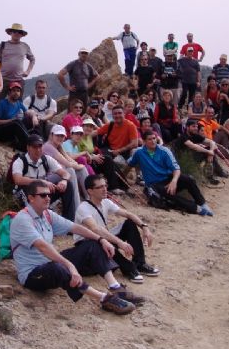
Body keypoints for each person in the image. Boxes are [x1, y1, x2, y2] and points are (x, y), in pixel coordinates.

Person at [9, 180, 138, 315]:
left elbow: (74, 227)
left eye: (49, 194)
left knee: (91, 244)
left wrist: (101, 239)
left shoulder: (47, 214)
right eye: (43, 195)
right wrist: (70, 265)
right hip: (33, 274)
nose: (47, 198)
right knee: (57, 267)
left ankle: (115, 287)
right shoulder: (23, 220)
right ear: (31, 198)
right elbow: (43, 247)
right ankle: (104, 298)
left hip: (49, 262)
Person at [76, 174, 160, 283]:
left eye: (105, 185)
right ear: (90, 191)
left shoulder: (105, 202)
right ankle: (128, 269)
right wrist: (120, 242)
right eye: (100, 187)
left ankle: (140, 263)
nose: (104, 189)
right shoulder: (83, 208)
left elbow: (128, 214)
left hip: (102, 238)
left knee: (129, 224)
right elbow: (95, 229)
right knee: (103, 241)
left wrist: (144, 227)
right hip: (88, 245)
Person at [128, 131, 215, 216]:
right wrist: (124, 178)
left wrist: (174, 181)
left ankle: (203, 204)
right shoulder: (139, 153)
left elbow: (176, 168)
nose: (153, 141)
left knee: (189, 180)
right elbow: (129, 164)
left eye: (154, 138)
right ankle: (196, 208)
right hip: (154, 184)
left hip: (168, 178)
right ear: (144, 141)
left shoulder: (164, 151)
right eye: (150, 139)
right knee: (167, 193)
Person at [11, 135, 77, 221]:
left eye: (40, 146)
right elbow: (18, 180)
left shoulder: (46, 159)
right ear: (28, 148)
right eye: (34, 147)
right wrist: (41, 182)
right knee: (35, 190)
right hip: (25, 194)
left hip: (42, 192)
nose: (38, 150)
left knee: (68, 185)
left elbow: (66, 173)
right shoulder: (20, 161)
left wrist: (64, 181)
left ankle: (69, 220)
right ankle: (40, 216)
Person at [44, 125, 90, 200]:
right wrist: (79, 165)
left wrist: (79, 166)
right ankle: (76, 204)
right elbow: (67, 163)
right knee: (70, 170)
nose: (60, 138)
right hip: (48, 177)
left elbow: (69, 159)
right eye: (57, 135)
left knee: (81, 170)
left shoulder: (58, 146)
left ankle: (90, 198)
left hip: (58, 173)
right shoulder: (48, 147)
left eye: (62, 136)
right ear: (52, 135)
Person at [95, 105, 139, 171]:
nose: (117, 115)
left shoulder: (130, 125)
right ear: (112, 115)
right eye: (115, 114)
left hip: (123, 152)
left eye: (119, 113)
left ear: (124, 113)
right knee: (99, 158)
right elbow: (95, 132)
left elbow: (135, 143)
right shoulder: (110, 125)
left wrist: (119, 150)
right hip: (110, 151)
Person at [0, 81, 35, 151]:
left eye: (18, 91)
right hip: (1, 132)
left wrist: (34, 117)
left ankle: (34, 141)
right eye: (14, 91)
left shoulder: (19, 103)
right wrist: (11, 120)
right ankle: (31, 143)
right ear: (9, 92)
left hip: (12, 131)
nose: (16, 93)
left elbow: (28, 112)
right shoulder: (2, 103)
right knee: (16, 122)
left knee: (28, 119)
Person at [0, 23, 35, 94]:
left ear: (22, 34)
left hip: (18, 80)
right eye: (14, 31)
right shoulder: (3, 45)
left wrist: (28, 71)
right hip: (3, 79)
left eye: (19, 32)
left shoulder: (25, 46)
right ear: (11, 32)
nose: (17, 33)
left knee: (17, 103)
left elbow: (32, 59)